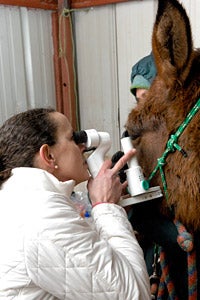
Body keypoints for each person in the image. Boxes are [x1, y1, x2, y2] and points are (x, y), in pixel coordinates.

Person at [0, 107, 151, 300]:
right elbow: (134, 295)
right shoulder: (42, 215)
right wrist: (106, 207)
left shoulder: (19, 198)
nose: (83, 147)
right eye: (72, 138)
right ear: (48, 155)